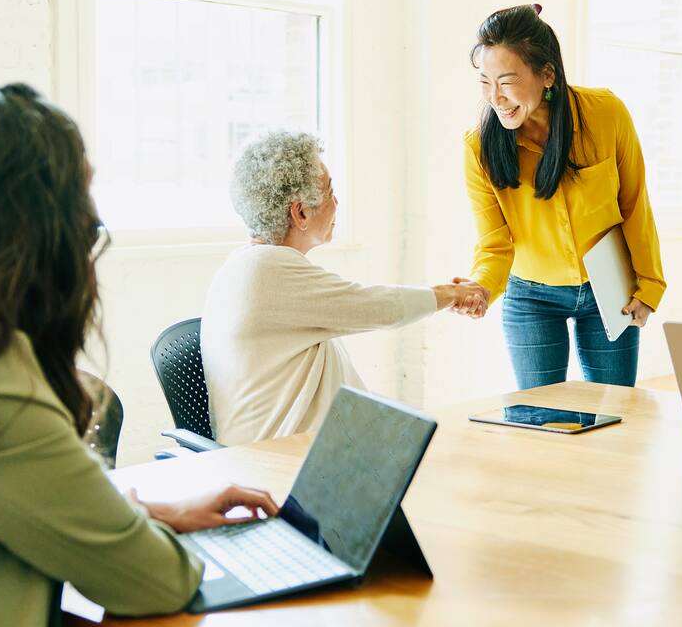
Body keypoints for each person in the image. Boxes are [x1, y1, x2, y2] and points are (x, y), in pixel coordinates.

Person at [0, 84, 280, 627]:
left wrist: (144, 510)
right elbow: (153, 582)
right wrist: (148, 535)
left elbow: (1, 509)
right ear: (40, 231)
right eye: (82, 204)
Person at [201, 131, 485, 444]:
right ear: (301, 213)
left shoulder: (246, 265)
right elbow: (379, 307)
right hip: (277, 460)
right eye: (330, 192)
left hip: (299, 450)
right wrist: (453, 293)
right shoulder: (267, 270)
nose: (337, 203)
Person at [458, 4, 665, 389]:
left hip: (610, 291)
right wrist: (481, 288)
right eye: (485, 82)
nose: (495, 97)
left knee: (614, 414)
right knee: (541, 419)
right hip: (531, 297)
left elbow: (634, 204)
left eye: (506, 81)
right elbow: (494, 243)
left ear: (547, 74)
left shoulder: (606, 114)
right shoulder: (479, 149)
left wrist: (649, 285)